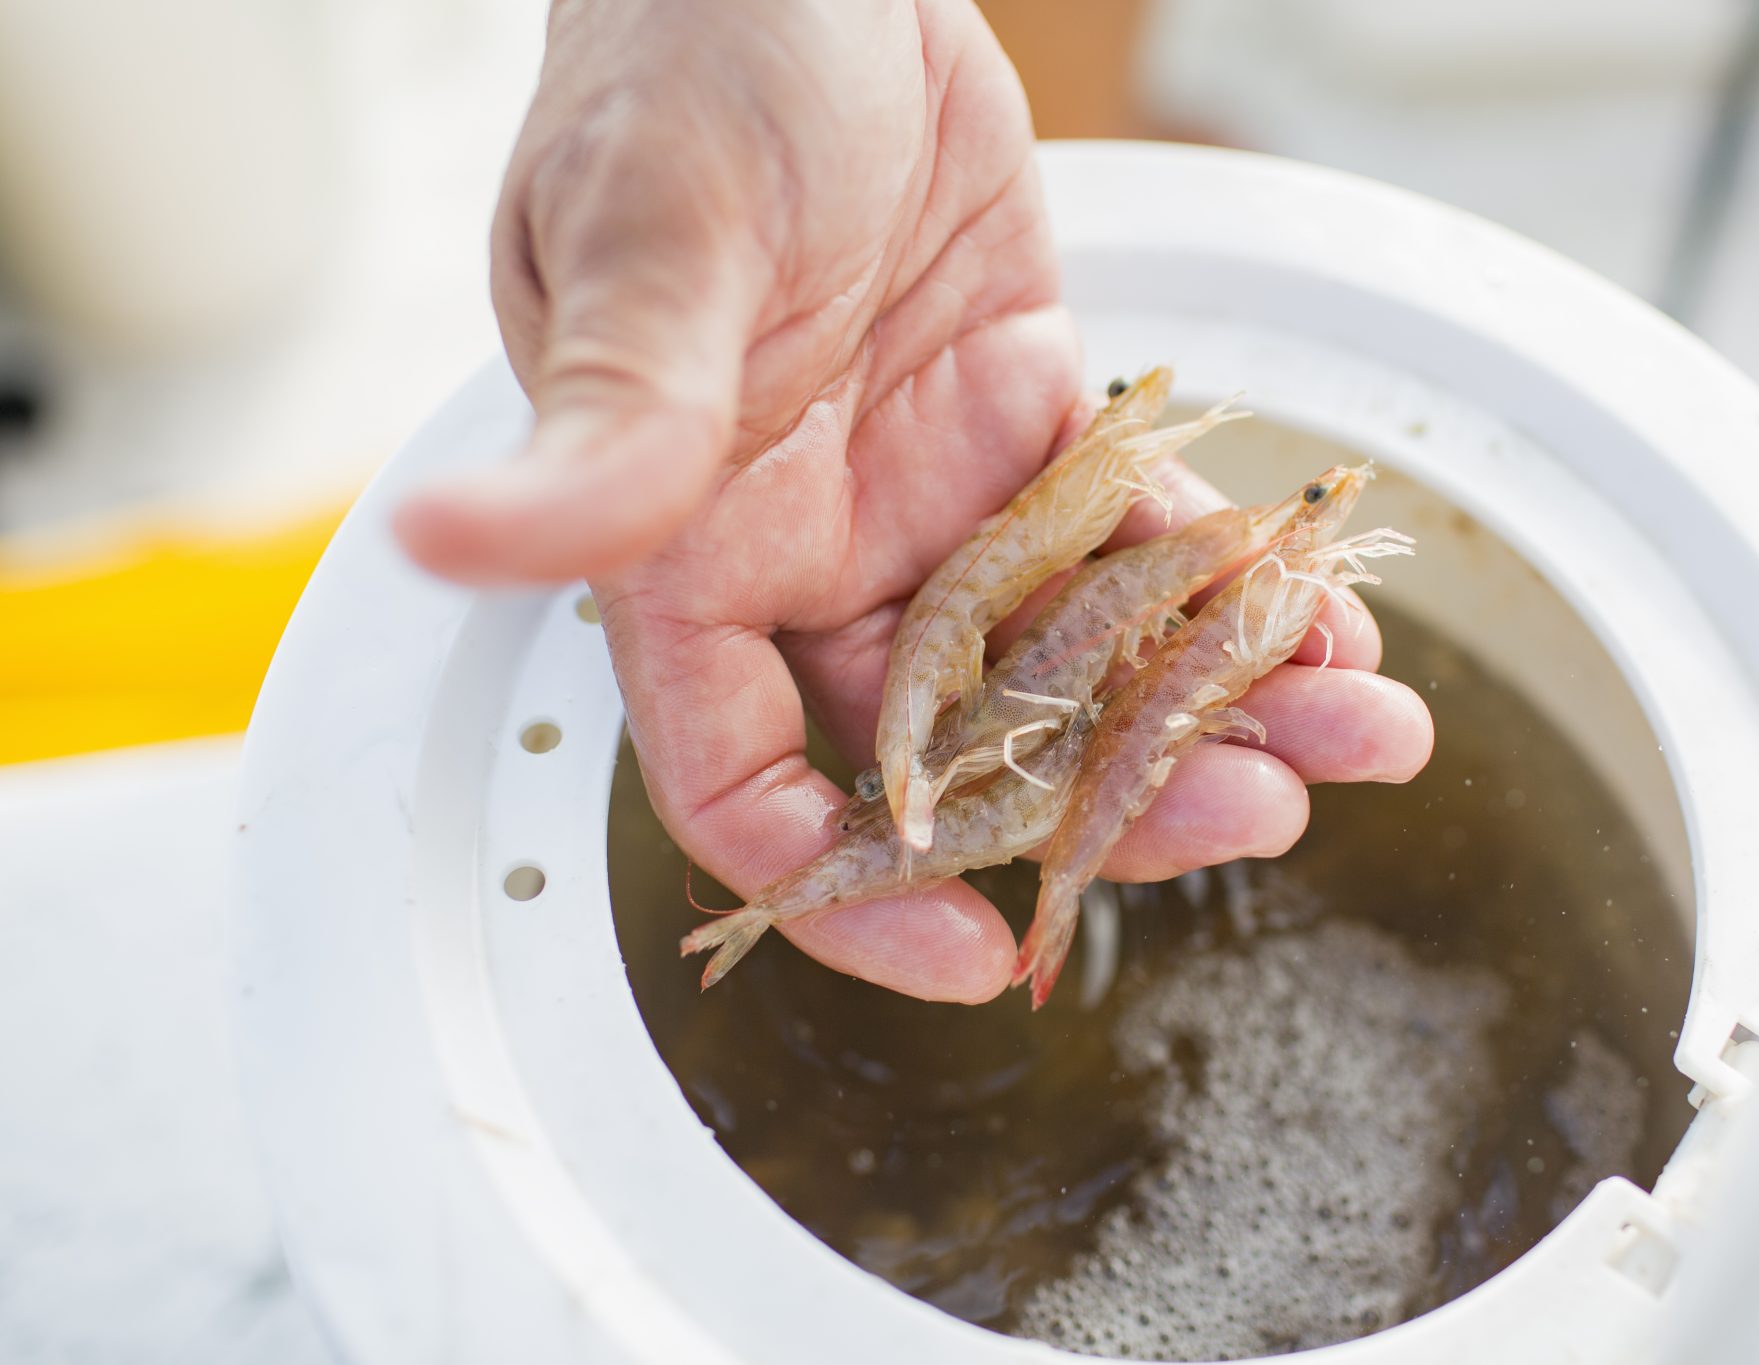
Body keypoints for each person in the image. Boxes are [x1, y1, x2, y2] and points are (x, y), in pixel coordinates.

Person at [392, 0, 1433, 1002]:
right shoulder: (1190, 553)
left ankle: (893, 837)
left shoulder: (1205, 564)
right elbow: (1057, 610)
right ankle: (891, 814)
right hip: (1003, 676)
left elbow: (1125, 646)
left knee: (1108, 684)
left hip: (1046, 703)